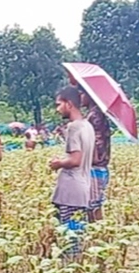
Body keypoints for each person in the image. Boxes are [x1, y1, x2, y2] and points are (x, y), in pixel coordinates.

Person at [50, 86, 94, 258]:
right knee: (78, 236)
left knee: (69, 240)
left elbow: (75, 160)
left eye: (59, 104)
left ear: (69, 104)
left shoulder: (74, 127)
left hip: (70, 191)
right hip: (82, 188)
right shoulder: (87, 126)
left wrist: (58, 163)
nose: (57, 109)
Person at [85, 97, 112, 222]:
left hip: (95, 167)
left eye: (81, 93)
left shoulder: (94, 116)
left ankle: (98, 236)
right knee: (93, 206)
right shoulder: (97, 114)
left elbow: (96, 144)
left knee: (93, 207)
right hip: (99, 167)